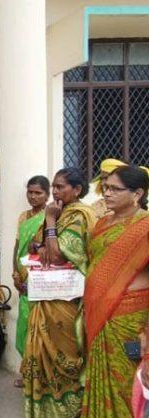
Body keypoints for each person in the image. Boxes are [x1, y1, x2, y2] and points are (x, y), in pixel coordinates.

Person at [21, 167, 96, 417]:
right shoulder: (60, 211)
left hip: (66, 298)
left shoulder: (79, 215)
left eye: (60, 187)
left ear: (77, 190)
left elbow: (58, 254)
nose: (55, 191)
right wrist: (40, 244)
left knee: (66, 354)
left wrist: (51, 221)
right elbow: (40, 243)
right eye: (53, 186)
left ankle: (69, 409)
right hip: (47, 294)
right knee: (42, 353)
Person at [81, 165, 149, 418]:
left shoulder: (145, 227)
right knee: (99, 378)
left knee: (125, 385)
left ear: (137, 193)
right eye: (105, 188)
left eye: (114, 189)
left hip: (129, 320)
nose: (106, 194)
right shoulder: (101, 223)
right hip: (98, 315)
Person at [12, 176, 50, 368]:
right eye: (30, 192)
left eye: (38, 193)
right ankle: (25, 367)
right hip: (23, 277)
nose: (33, 196)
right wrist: (15, 274)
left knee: (41, 324)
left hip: (41, 275)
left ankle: (40, 368)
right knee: (25, 323)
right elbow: (18, 245)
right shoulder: (23, 216)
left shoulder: (51, 217)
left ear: (47, 195)